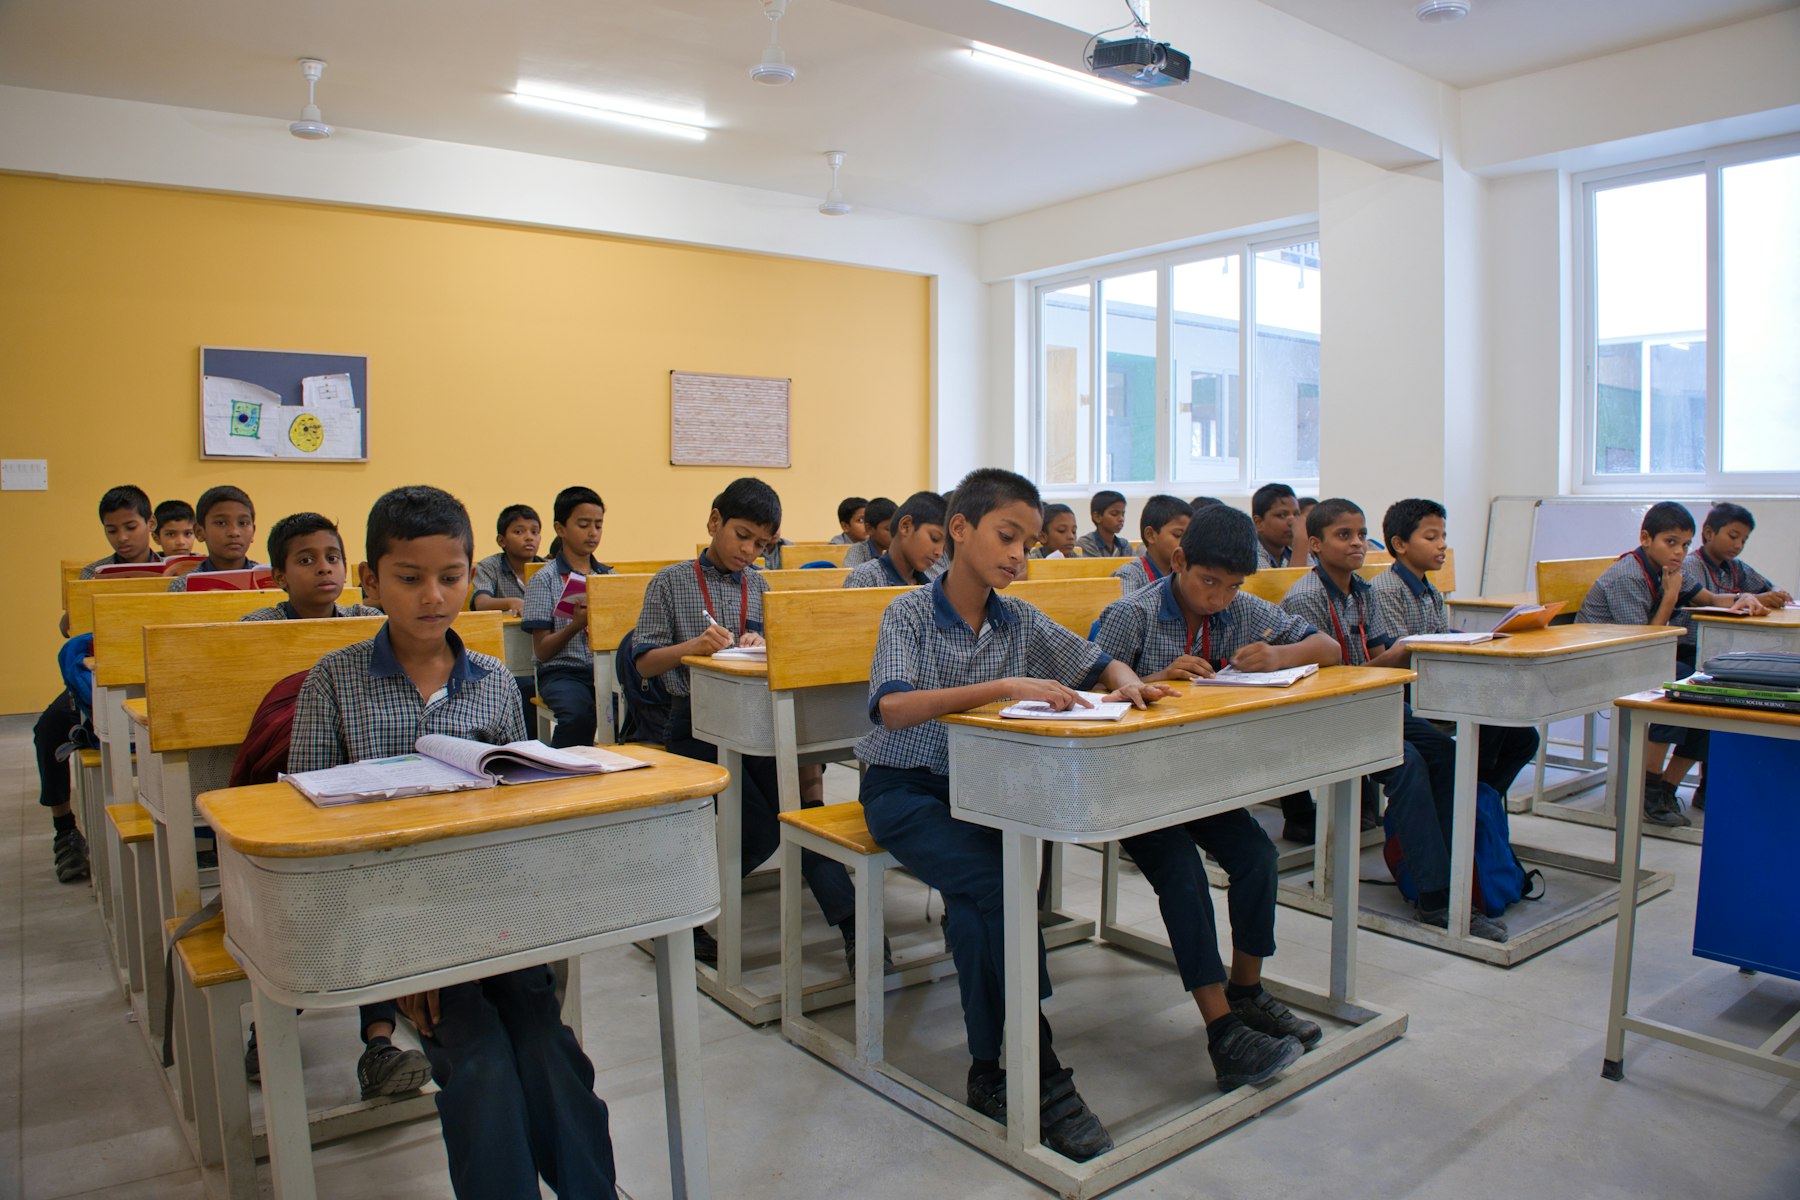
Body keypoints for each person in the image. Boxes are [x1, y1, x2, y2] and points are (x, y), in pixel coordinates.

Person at [290, 484, 616, 1197]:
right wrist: (404, 962)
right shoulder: (333, 683)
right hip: (395, 916)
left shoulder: (495, 681)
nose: (433, 596)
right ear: (371, 581)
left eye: (452, 576)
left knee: (548, 1046)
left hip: (489, 905)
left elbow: (520, 806)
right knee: (480, 1063)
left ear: (474, 573)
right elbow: (310, 835)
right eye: (409, 579)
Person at [856, 467, 1172, 1161]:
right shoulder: (908, 611)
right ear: (960, 529)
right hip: (903, 792)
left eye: (1028, 544)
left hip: (980, 793)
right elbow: (893, 707)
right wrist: (1000, 685)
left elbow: (1096, 662)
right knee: (1000, 885)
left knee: (978, 905)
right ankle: (1043, 1070)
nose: (1018, 555)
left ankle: (990, 1070)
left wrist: (1129, 681)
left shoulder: (1018, 616)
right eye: (1008, 536)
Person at [1092, 504, 1334, 1087]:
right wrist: (1152, 677)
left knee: (1258, 857)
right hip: (1131, 782)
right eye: (1208, 582)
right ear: (1178, 561)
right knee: (1183, 874)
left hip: (1200, 778)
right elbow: (1084, 682)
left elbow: (1326, 647)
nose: (1219, 598)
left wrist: (1279, 655)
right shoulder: (1133, 614)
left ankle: (1247, 989)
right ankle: (1223, 1031)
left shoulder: (1246, 610)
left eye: (1232, 586)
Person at [630, 478, 858, 968]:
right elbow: (644, 663)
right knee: (761, 825)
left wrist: (760, 644)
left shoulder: (759, 584)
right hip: (692, 726)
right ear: (714, 521)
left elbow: (782, 652)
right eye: (742, 535)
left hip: (752, 723)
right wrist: (691, 647)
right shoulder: (670, 582)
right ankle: (683, 913)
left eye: (762, 544)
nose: (749, 550)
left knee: (798, 814)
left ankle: (856, 926)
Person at [1282, 498, 1507, 941]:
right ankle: (1435, 896)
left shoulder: (1363, 592)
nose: (1357, 544)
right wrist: (1400, 653)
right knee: (1408, 765)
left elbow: (1378, 658)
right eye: (1343, 535)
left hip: (1375, 704)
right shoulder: (1306, 598)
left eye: (1361, 534)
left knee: (1447, 753)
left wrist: (1401, 651)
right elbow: (1330, 683)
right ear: (1314, 545)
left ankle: (1449, 868)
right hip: (1330, 716)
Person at [1577, 501, 1764, 827]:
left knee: (1711, 684)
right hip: (1600, 662)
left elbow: (1708, 599)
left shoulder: (1669, 569)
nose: (1679, 552)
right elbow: (1644, 642)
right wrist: (1669, 597)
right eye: (1671, 542)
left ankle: (1667, 787)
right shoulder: (1628, 575)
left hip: (1636, 654)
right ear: (1646, 538)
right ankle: (1648, 788)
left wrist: (1742, 599)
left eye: (1685, 545)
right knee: (1679, 685)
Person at [1372, 499, 1538, 798]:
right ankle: (1466, 798)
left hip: (1438, 681)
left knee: (1523, 737)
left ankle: (1476, 798)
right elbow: (1403, 653)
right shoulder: (1386, 589)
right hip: (1412, 690)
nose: (1442, 546)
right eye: (1431, 537)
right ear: (1400, 544)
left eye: (1444, 537)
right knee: (1490, 712)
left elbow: (1439, 637)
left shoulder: (1430, 591)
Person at [40, 484, 162, 880]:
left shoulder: (179, 570)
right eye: (112, 530)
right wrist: (75, 607)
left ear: (150, 524)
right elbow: (68, 630)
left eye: (130, 526)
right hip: (100, 676)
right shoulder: (94, 572)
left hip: (155, 670)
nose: (123, 538)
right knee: (47, 729)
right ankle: (65, 830)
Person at [522, 487, 614, 748]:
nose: (593, 532)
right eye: (584, 524)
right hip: (562, 672)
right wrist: (576, 625)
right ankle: (559, 773)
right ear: (560, 528)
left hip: (606, 671)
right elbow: (541, 652)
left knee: (631, 711)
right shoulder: (543, 580)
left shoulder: (608, 577)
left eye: (598, 525)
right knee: (578, 715)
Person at [240, 512, 383, 621]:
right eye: (306, 560)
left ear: (345, 569)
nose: (324, 568)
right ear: (280, 577)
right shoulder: (257, 626)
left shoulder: (367, 619)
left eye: (332, 558)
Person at [843, 491, 945, 587]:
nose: (939, 552)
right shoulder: (863, 579)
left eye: (944, 547)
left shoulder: (934, 583)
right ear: (906, 526)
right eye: (934, 539)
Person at [168, 485, 260, 591]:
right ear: (199, 532)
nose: (234, 532)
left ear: (253, 532)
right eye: (221, 523)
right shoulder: (183, 586)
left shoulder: (269, 581)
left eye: (243, 523)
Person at [472, 503, 544, 616]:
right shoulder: (489, 566)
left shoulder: (550, 568)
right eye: (518, 532)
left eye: (534, 532)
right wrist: (512, 602)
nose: (529, 537)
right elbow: (481, 603)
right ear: (501, 541)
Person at [1111, 495, 1193, 594]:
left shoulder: (1183, 572)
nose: (1186, 542)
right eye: (1178, 535)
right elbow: (1127, 609)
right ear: (1150, 535)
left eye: (1189, 536)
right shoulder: (1129, 575)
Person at [1251, 483, 1300, 570]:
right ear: (1258, 523)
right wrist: (1301, 545)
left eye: (1296, 514)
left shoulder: (1291, 549)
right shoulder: (1251, 554)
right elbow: (1296, 584)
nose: (1293, 522)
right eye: (1282, 515)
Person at [1075, 489, 1131, 558]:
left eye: (1123, 514)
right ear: (1097, 517)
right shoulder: (1086, 543)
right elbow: (1099, 568)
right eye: (1114, 514)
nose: (1121, 519)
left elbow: (1136, 567)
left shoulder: (1124, 545)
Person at [843, 496, 896, 567]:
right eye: (888, 529)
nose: (895, 533)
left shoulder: (899, 550)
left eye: (896, 528)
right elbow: (851, 576)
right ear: (869, 529)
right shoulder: (857, 551)